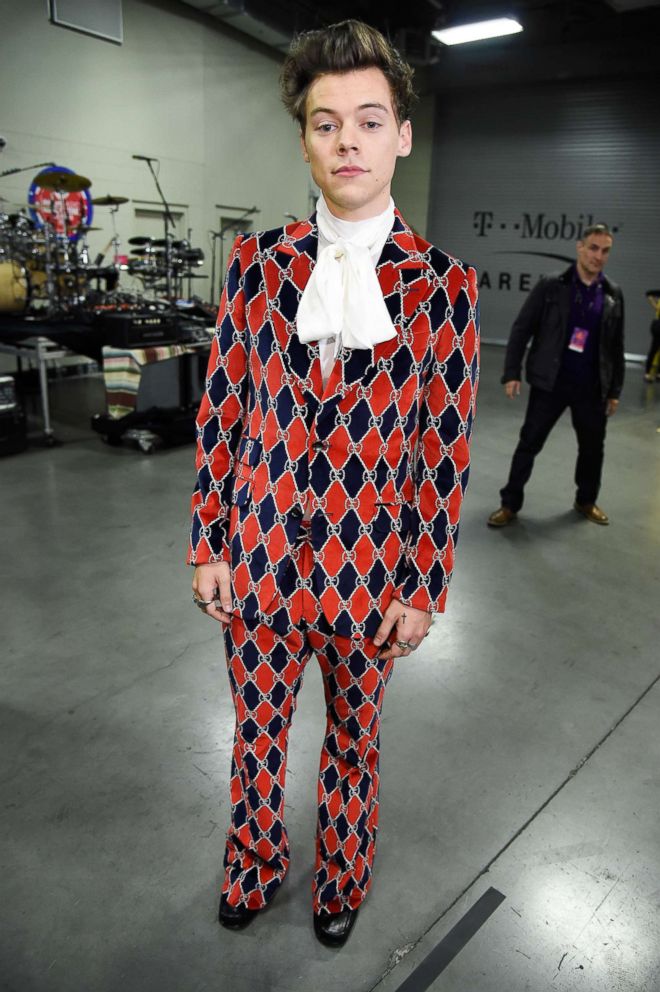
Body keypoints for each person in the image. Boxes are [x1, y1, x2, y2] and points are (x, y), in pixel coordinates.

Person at [188, 19, 479, 948]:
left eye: (367, 120)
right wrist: (208, 542)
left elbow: (443, 453)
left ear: (401, 133)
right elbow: (223, 413)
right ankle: (254, 864)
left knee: (354, 747)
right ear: (305, 139)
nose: (346, 140)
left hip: (370, 576)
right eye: (325, 123)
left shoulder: (445, 289)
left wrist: (425, 588)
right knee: (257, 737)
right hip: (261, 563)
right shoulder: (257, 268)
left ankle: (341, 877)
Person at [488, 223, 624, 528]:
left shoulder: (613, 294)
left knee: (592, 448)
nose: (598, 256)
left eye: (605, 251)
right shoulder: (552, 286)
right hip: (551, 382)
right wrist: (512, 372)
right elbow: (522, 328)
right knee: (529, 443)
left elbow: (616, 347)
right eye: (593, 248)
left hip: (592, 387)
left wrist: (614, 390)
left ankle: (586, 500)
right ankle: (509, 504)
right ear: (579, 247)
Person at [643, 290, 660, 382]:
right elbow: (648, 294)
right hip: (658, 325)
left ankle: (658, 374)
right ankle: (647, 373)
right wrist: (655, 306)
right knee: (654, 348)